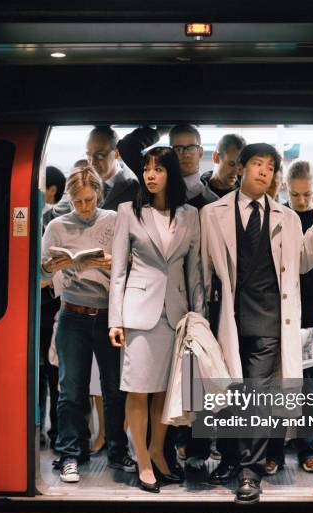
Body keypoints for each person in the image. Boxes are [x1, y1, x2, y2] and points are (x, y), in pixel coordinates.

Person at [200, 144, 313, 504]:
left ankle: (250, 473)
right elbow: (202, 272)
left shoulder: (285, 217)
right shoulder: (212, 213)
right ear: (241, 168)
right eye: (258, 164)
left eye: (270, 167)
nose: (264, 172)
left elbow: (301, 262)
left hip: (270, 320)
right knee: (227, 395)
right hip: (226, 318)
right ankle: (228, 460)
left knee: (256, 397)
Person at [109, 146, 204, 493]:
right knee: (137, 389)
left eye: (158, 169)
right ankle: (143, 462)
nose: (150, 175)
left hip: (176, 313)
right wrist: (115, 320)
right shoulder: (128, 211)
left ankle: (156, 451)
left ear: (170, 174)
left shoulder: (190, 214)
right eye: (146, 169)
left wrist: (199, 318)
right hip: (138, 311)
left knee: (165, 389)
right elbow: (119, 271)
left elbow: (195, 273)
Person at [41, 166, 135, 483]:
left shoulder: (114, 220)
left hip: (109, 313)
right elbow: (40, 277)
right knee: (70, 390)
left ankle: (118, 452)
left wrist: (111, 261)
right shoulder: (56, 226)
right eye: (78, 200)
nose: (84, 207)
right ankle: (71, 454)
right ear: (69, 197)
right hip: (71, 312)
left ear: (99, 194)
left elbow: (133, 266)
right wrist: (49, 267)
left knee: (114, 388)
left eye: (90, 199)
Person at [266, 161, 313, 475]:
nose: (302, 201)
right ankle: (274, 451)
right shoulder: (280, 218)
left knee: (311, 389)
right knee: (281, 385)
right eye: (297, 194)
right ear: (287, 187)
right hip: (284, 313)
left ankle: (307, 450)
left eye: (307, 194)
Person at [39, 166, 66, 448]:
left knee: (54, 374)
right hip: (41, 311)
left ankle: (56, 431)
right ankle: (41, 426)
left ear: (51, 191)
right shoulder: (42, 220)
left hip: (52, 310)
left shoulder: (54, 222)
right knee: (45, 373)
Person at [169, 124, 217, 209]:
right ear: (170, 153)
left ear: (200, 152)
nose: (186, 154)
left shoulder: (214, 203)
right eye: (178, 149)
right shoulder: (159, 191)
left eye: (191, 148)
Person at [201, 133, 246, 198]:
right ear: (216, 157)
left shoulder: (246, 197)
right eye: (231, 164)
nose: (236, 172)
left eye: (240, 166)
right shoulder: (195, 192)